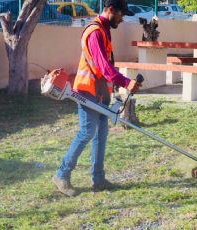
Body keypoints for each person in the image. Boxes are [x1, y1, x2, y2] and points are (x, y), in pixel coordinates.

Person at [52, 0, 141, 197]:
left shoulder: (104, 30)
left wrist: (113, 87)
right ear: (110, 10)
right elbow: (102, 66)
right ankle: (61, 174)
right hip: (87, 90)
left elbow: (105, 65)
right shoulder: (94, 32)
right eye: (120, 14)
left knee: (101, 133)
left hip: (100, 91)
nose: (122, 18)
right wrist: (126, 82)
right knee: (87, 133)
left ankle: (98, 179)